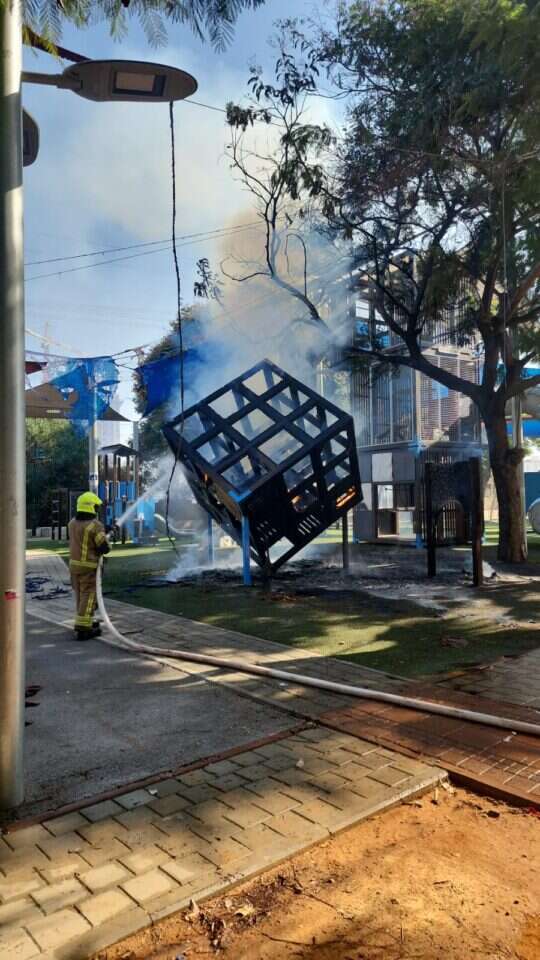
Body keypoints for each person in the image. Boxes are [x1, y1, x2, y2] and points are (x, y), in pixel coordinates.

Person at [68, 492, 110, 640]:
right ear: (91, 507)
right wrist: (105, 534)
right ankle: (83, 628)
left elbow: (84, 539)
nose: (97, 510)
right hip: (88, 566)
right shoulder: (95, 525)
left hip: (74, 566)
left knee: (80, 594)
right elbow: (104, 547)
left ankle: (85, 620)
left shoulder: (72, 523)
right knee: (89, 595)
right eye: (96, 507)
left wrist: (106, 530)